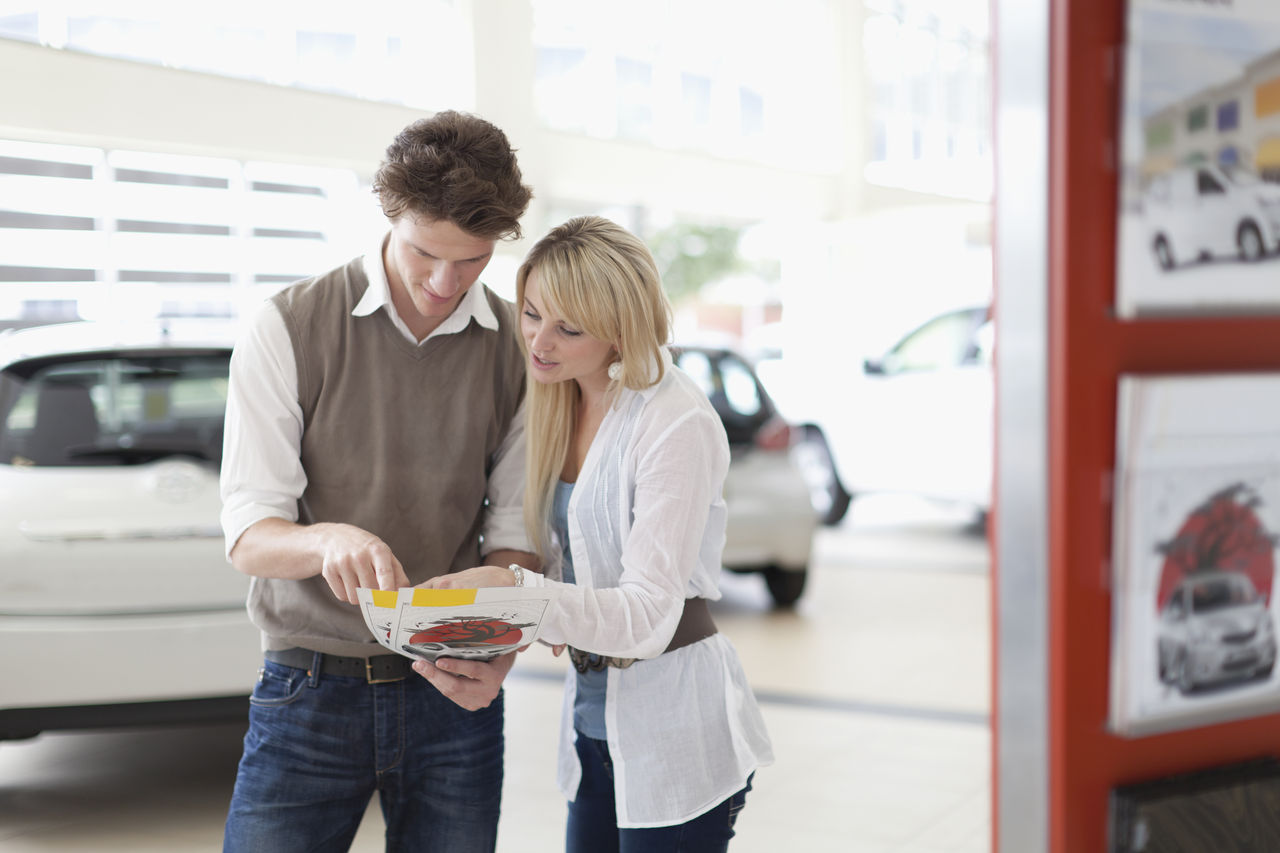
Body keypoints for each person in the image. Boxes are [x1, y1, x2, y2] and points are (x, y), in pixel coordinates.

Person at [219, 111, 538, 853]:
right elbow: (249, 535)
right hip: (308, 688)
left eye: (472, 261)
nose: (444, 281)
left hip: (456, 691)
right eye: (427, 251)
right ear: (389, 213)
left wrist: (501, 651)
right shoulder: (288, 325)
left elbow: (518, 543)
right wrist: (329, 537)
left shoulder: (516, 353)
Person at [429, 216, 774, 852]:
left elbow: (647, 614)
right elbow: (576, 572)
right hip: (593, 722)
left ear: (620, 329)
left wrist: (514, 592)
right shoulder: (558, 401)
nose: (539, 341)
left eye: (569, 328)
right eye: (531, 313)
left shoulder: (675, 421)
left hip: (675, 727)